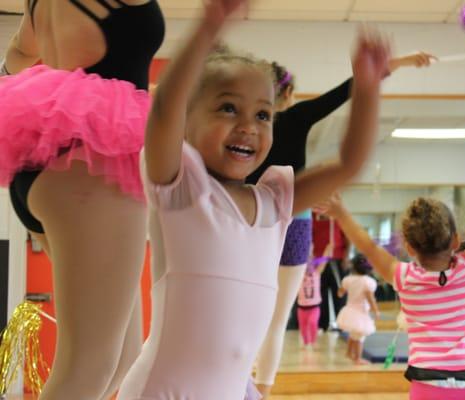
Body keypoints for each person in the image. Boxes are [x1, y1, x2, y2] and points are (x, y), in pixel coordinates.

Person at [116, 0, 391, 397]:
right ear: (186, 122)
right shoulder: (181, 188)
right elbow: (163, 111)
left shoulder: (274, 202)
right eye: (228, 108)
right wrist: (208, 26)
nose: (248, 126)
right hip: (165, 391)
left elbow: (350, 163)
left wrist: (367, 89)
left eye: (263, 115)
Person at [0, 1, 164, 398]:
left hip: (44, 170)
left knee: (120, 360)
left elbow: (19, 54)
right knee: (88, 370)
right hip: (94, 166)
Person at [250, 50, 435, 398]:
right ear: (287, 94)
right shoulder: (298, 115)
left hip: (252, 217)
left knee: (248, 315)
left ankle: (234, 384)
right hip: (293, 219)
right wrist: (402, 63)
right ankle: (260, 391)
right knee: (275, 322)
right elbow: (352, 89)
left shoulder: (247, 127)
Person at [316, 170, 465, 400]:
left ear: (410, 248)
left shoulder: (404, 277)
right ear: (455, 240)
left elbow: (368, 247)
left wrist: (341, 213)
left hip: (427, 379)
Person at [336, 254, 379, 365]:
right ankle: (358, 358)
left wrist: (341, 292)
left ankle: (349, 353)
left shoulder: (348, 280)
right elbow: (371, 299)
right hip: (361, 312)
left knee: (353, 334)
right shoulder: (368, 282)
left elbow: (340, 293)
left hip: (349, 310)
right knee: (360, 336)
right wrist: (376, 310)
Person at [297, 244, 331, 349]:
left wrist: (328, 249)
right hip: (302, 307)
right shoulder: (299, 275)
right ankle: (306, 342)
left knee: (312, 323)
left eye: (311, 264)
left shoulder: (317, 273)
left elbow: (324, 261)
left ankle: (313, 341)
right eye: (307, 264)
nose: (309, 266)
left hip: (314, 307)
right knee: (303, 326)